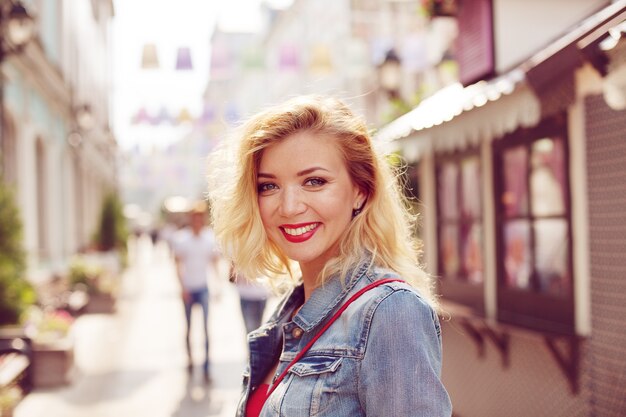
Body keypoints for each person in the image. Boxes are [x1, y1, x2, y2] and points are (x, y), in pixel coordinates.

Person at [207, 95, 452, 416]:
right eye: (268, 186)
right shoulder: (289, 314)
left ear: (360, 191)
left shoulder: (390, 310)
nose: (290, 206)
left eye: (314, 181)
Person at [173, 202, 219, 383]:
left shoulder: (209, 238)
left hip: (203, 287)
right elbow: (177, 264)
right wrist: (181, 287)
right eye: (194, 218)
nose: (197, 221)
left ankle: (207, 365)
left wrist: (218, 285)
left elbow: (214, 262)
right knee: (189, 327)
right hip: (189, 289)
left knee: (207, 329)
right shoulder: (181, 239)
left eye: (200, 218)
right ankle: (190, 359)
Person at [229, 265, 269, 335]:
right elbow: (232, 276)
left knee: (255, 330)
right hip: (247, 294)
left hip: (260, 293)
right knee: (253, 330)